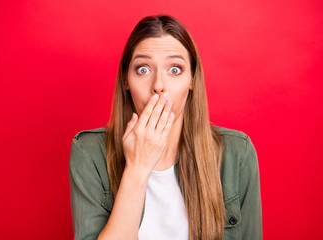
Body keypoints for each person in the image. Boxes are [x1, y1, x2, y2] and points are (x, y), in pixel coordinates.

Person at [69, 14, 262, 240]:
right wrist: (137, 169)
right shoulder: (89, 152)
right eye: (143, 69)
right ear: (125, 81)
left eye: (175, 69)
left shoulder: (237, 153)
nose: (159, 86)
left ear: (192, 80)